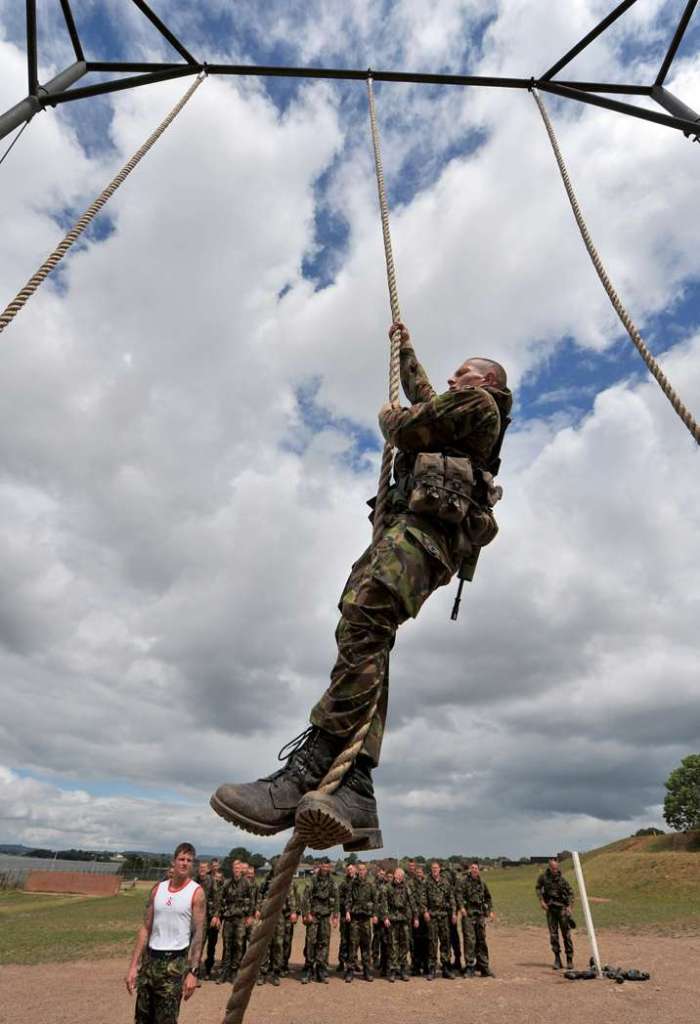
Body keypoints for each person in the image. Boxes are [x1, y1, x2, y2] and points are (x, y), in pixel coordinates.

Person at [211, 322, 511, 850]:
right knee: (364, 635)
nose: (450, 378)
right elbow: (425, 395)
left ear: (486, 381)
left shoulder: (482, 407)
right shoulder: (460, 416)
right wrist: (405, 350)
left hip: (422, 536)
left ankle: (312, 766)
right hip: (407, 534)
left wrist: (391, 417)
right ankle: (356, 790)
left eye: (461, 373)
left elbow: (407, 423)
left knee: (365, 618)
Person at [125, 842, 206, 1024]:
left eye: (189, 860)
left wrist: (193, 972)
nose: (184, 863)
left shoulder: (196, 892)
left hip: (174, 965)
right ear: (173, 862)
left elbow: (199, 934)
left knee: (166, 1020)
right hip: (150, 963)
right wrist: (133, 966)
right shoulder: (158, 889)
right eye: (181, 859)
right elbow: (145, 928)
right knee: (142, 1018)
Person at [300, 860, 339, 983]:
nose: (325, 868)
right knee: (311, 941)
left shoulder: (332, 881)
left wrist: (335, 915)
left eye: (327, 866)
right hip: (314, 916)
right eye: (323, 866)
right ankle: (308, 968)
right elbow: (305, 897)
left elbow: (336, 898)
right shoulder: (313, 880)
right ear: (320, 866)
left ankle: (321, 969)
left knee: (324, 942)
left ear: (329, 867)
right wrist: (306, 914)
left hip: (325, 916)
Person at [216, 860, 255, 984]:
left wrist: (249, 916)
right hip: (228, 919)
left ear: (241, 870)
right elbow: (220, 900)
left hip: (240, 919)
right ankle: (224, 972)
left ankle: (234, 971)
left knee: (238, 945)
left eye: (239, 868)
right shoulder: (226, 883)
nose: (237, 870)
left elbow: (252, 901)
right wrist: (217, 916)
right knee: (227, 946)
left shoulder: (247, 883)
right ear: (232, 869)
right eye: (235, 868)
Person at [536, 858, 575, 970]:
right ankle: (557, 959)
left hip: (562, 910)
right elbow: (538, 888)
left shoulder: (562, 880)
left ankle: (569, 959)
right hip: (550, 910)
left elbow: (571, 893)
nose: (555, 870)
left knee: (566, 935)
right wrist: (541, 901)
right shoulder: (543, 878)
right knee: (553, 936)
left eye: (556, 868)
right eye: (553, 868)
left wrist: (569, 907)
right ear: (549, 867)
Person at [381, 867, 418, 982]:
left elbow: (412, 902)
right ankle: (393, 970)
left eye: (401, 876)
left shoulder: (406, 887)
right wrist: (385, 917)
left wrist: (416, 917)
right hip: (392, 920)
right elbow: (384, 903)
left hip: (404, 920)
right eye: (397, 875)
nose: (399, 877)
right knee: (393, 945)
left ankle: (403, 970)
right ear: (394, 875)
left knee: (404, 945)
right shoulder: (387, 887)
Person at [459, 863, 495, 977]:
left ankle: (483, 966)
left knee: (481, 940)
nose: (474, 870)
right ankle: (470, 966)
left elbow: (488, 897)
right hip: (468, 914)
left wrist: (490, 910)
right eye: (472, 868)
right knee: (469, 941)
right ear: (470, 870)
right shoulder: (464, 882)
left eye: (476, 868)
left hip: (479, 915)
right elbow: (459, 895)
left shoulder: (482, 883)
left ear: (479, 870)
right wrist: (462, 908)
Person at [423, 861, 457, 980]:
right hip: (432, 916)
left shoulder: (446, 882)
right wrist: (425, 911)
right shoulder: (426, 882)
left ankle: (446, 968)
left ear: (440, 869)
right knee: (432, 943)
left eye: (436, 868)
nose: (435, 870)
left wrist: (453, 913)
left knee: (445, 942)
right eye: (433, 868)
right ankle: (432, 969)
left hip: (444, 916)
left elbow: (452, 898)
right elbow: (423, 898)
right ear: (431, 870)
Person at [344, 862, 377, 982]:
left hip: (365, 920)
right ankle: (350, 971)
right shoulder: (353, 884)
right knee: (353, 945)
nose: (362, 871)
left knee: (366, 945)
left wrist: (374, 914)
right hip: (355, 919)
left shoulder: (370, 884)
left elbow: (375, 900)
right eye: (360, 870)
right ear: (357, 871)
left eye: (363, 870)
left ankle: (367, 971)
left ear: (366, 871)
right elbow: (348, 899)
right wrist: (347, 911)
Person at [337, 863, 358, 973]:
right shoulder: (344, 883)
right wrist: (346, 908)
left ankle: (354, 962)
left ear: (355, 870)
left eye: (352, 869)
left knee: (354, 940)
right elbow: (338, 898)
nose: (350, 871)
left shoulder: (359, 882)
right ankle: (341, 962)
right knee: (344, 939)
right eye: (348, 869)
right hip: (345, 915)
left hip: (356, 916)